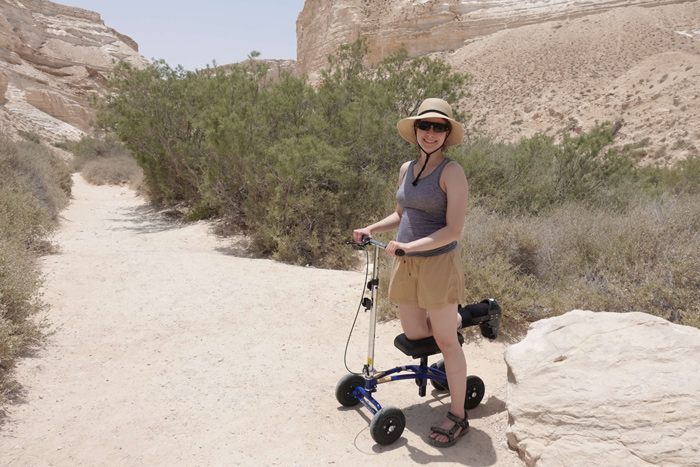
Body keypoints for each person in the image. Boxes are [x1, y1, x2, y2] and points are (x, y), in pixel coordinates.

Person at [353, 98, 471, 448]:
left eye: (439, 127)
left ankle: (459, 415)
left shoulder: (452, 172)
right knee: (417, 333)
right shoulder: (406, 169)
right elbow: (402, 216)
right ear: (415, 130)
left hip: (436, 263)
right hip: (405, 262)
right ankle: (460, 316)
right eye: (425, 125)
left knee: (447, 342)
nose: (430, 133)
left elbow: (453, 231)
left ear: (447, 133)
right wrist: (371, 227)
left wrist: (412, 246)